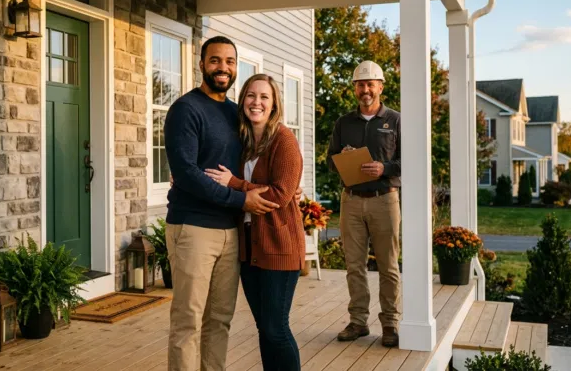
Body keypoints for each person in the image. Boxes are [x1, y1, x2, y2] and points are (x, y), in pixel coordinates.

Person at [163, 36, 299, 371]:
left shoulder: (233, 114)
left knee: (219, 321)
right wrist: (242, 198)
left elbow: (263, 169)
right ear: (202, 65)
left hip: (232, 232)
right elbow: (186, 172)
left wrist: (287, 190)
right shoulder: (185, 109)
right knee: (188, 322)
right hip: (193, 227)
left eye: (229, 61)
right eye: (215, 60)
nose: (222, 68)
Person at [205, 73, 304, 371]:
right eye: (250, 95)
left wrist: (235, 184)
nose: (256, 102)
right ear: (243, 100)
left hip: (279, 246)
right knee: (264, 328)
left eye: (264, 97)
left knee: (276, 328)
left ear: (274, 105)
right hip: (249, 248)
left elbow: (279, 196)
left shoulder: (283, 140)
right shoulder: (243, 141)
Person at [327, 60, 401, 347]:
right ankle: (358, 322)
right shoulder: (343, 123)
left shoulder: (395, 120)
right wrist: (343, 158)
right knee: (354, 265)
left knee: (388, 265)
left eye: (370, 84)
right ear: (355, 89)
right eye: (360, 84)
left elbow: (409, 162)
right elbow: (330, 162)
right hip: (352, 201)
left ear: (381, 86)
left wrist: (385, 168)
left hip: (385, 200)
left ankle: (390, 324)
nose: (365, 89)